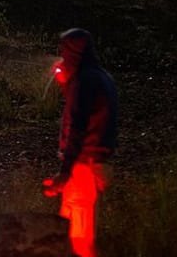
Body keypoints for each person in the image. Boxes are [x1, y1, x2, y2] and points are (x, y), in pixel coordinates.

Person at [43, 28, 118, 257]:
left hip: (82, 167)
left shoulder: (84, 81)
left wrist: (64, 174)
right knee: (76, 234)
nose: (61, 55)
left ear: (75, 50)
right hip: (97, 164)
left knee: (79, 239)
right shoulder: (101, 76)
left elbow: (77, 126)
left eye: (64, 50)